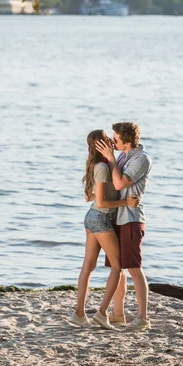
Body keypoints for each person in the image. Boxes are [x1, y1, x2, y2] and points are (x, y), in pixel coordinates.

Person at [69, 129, 140, 329]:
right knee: (117, 267)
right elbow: (100, 202)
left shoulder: (100, 164)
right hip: (100, 219)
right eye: (108, 139)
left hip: (92, 219)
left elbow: (89, 197)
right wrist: (125, 202)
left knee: (88, 266)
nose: (112, 141)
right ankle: (101, 314)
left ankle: (79, 315)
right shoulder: (102, 167)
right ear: (101, 144)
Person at [95, 122, 152, 331]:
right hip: (117, 217)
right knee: (117, 269)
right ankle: (118, 314)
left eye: (116, 139)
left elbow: (119, 184)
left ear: (127, 142)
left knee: (134, 268)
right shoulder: (122, 155)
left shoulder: (141, 159)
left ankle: (143, 318)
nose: (113, 142)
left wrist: (110, 158)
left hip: (131, 218)